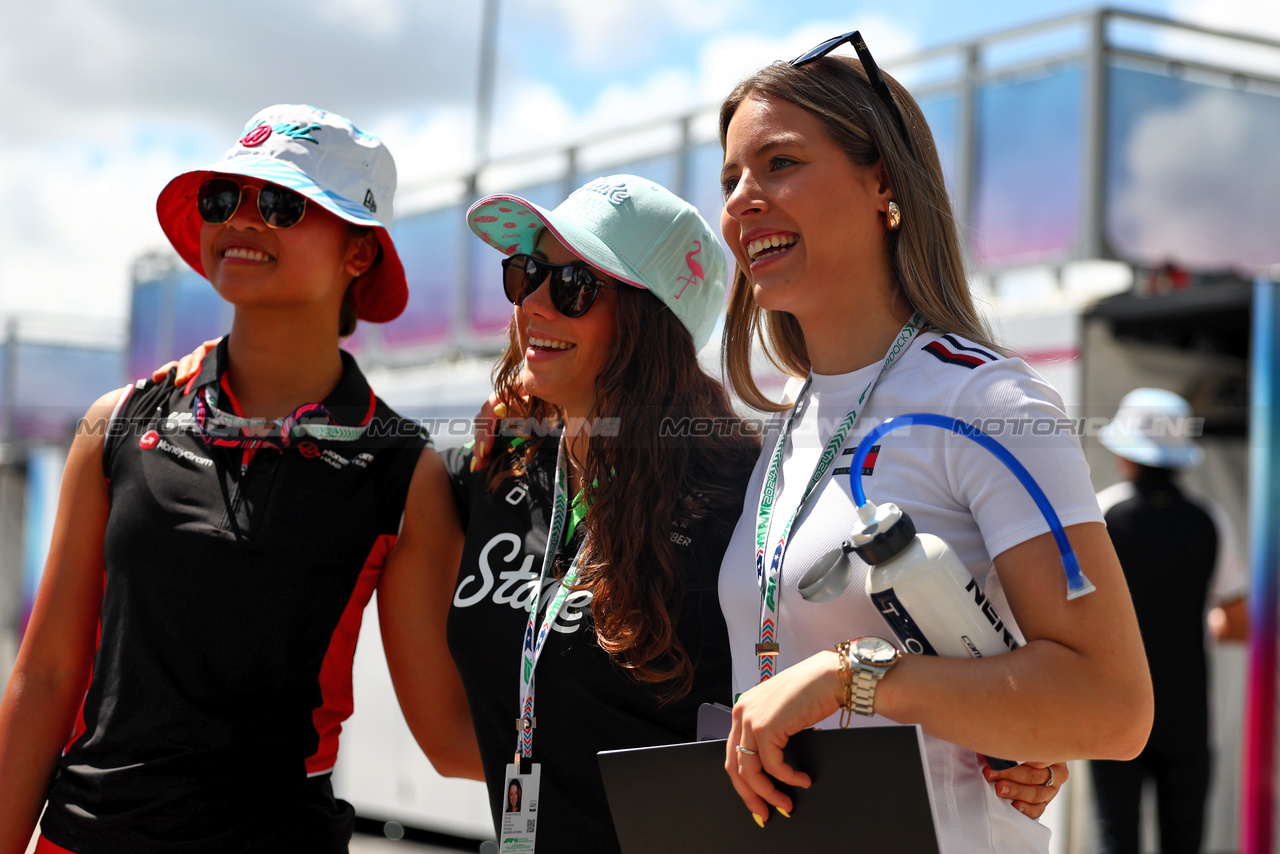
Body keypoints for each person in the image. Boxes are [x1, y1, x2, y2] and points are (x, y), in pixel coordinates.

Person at [713, 31, 1153, 851]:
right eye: (731, 177)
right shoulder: (790, 427)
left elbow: (1115, 707)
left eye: (779, 164)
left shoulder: (986, 401)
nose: (741, 199)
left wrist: (853, 678)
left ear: (882, 179)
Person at [0, 104, 476, 854]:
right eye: (225, 200)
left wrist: (675, 760)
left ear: (360, 253)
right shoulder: (117, 421)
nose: (243, 222)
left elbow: (446, 733)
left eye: (282, 205)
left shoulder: (402, 469)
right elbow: (47, 678)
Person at [1091, 388, 1248, 854]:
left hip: (1114, 703)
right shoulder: (1209, 520)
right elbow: (1238, 622)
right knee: (1185, 840)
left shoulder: (1101, 516)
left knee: (1116, 837)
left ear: (1125, 454)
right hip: (1188, 711)